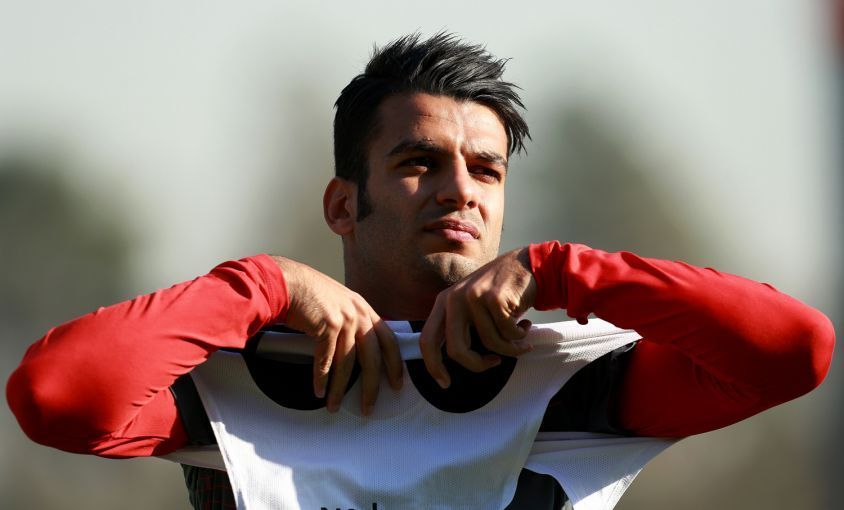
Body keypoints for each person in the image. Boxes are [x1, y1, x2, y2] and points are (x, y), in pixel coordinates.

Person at [6, 32, 835, 509]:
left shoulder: (572, 385)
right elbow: (55, 397)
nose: (460, 190)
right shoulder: (240, 386)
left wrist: (562, 271)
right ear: (342, 205)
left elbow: (793, 350)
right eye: (418, 162)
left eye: (486, 170)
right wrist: (265, 287)